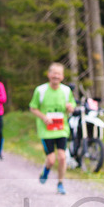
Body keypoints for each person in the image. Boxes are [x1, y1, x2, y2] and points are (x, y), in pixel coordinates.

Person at [30, 62, 74, 195]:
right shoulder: (40, 90)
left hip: (61, 128)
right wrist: (43, 117)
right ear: (49, 75)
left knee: (62, 157)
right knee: (51, 159)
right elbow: (33, 108)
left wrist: (70, 107)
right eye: (54, 73)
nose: (56, 76)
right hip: (46, 130)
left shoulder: (66, 90)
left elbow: (72, 104)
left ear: (62, 76)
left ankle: (60, 183)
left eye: (59, 74)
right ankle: (46, 171)